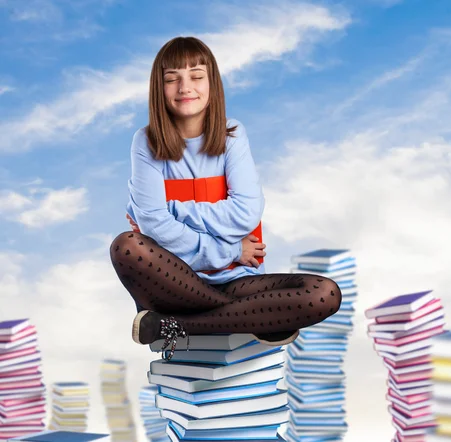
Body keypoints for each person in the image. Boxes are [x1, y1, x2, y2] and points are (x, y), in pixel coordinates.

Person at [109, 36, 342, 359]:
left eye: (196, 76)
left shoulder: (232, 135)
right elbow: (152, 225)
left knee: (323, 293)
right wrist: (230, 247)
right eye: (171, 78)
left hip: (235, 280)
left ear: (212, 83)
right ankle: (253, 316)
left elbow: (245, 213)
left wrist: (172, 211)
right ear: (158, 88)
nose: (184, 87)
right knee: (127, 246)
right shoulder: (145, 142)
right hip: (173, 282)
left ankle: (170, 326)